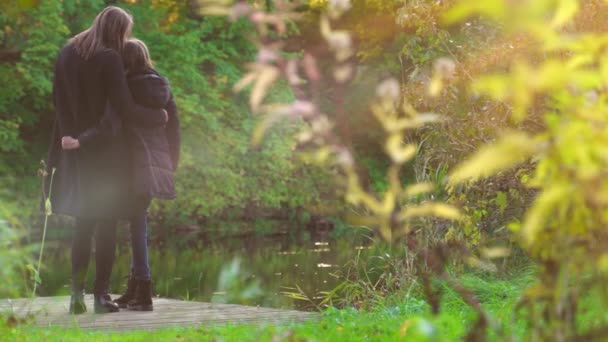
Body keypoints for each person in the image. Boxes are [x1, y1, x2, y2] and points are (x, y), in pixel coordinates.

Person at [46, 7, 168, 314]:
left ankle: (76, 296)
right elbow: (123, 108)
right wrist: (158, 116)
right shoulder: (109, 57)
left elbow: (57, 101)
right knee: (107, 228)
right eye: (124, 33)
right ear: (117, 31)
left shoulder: (67, 53)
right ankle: (100, 297)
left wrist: (69, 139)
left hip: (74, 152)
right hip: (107, 156)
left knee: (83, 225)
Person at [77, 38, 181, 311]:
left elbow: (114, 124)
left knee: (136, 226)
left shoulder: (125, 88)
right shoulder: (162, 85)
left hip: (130, 165)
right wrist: (171, 164)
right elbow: (175, 128)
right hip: (157, 164)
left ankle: (143, 290)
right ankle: (136, 287)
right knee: (138, 224)